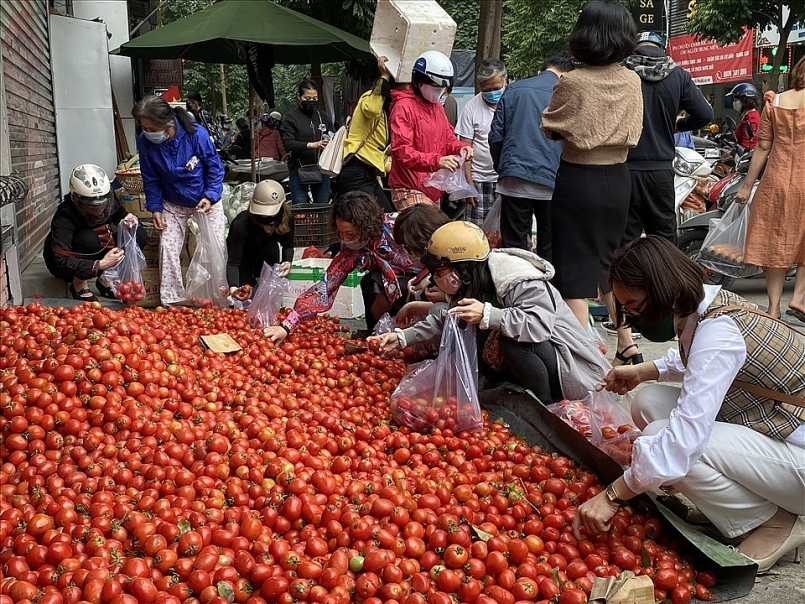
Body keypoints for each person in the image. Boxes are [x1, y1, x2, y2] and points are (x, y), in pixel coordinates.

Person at [575, 235, 805, 574]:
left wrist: (611, 497)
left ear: (663, 291)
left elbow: (681, 442)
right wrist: (645, 370)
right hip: (780, 433)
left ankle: (774, 522)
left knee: (664, 438)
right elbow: (696, 362)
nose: (632, 317)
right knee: (649, 402)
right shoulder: (707, 307)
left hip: (798, 458)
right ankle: (732, 505)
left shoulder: (719, 332)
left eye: (635, 305)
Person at [369, 222, 609, 403]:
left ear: (462, 268)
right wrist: (402, 338)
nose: (435, 279)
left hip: (565, 364)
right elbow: (448, 319)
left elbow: (538, 326)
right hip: (539, 357)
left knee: (509, 338)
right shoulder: (474, 281)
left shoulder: (518, 279)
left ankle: (546, 404)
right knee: (467, 327)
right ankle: (506, 388)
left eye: (439, 272)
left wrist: (489, 314)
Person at [541, 0, 643, 330]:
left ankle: (582, 357)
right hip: (618, 179)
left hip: (579, 179)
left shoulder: (573, 82)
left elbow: (552, 127)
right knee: (611, 263)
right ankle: (625, 342)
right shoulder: (632, 81)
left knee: (574, 272)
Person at [613, 30, 712, 365]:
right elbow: (705, 115)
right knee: (665, 246)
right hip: (659, 172)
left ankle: (627, 323)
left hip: (624, 168)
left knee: (624, 248)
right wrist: (674, 123)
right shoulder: (678, 74)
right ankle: (670, 318)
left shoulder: (621, 72)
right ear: (661, 47)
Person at [264, 191, 417, 341]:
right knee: (371, 281)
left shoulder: (397, 226)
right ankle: (379, 332)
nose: (345, 239)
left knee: (379, 283)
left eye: (350, 234)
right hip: (389, 284)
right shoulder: (349, 252)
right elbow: (324, 288)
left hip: (423, 280)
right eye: (341, 233)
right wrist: (287, 325)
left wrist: (426, 280)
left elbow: (431, 245)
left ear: (365, 226)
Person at [132, 95, 226, 306]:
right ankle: (172, 299)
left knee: (215, 247)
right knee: (168, 247)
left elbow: (215, 167)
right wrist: (155, 208)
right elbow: (151, 178)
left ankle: (213, 296)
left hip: (204, 198)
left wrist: (210, 196)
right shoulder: (145, 142)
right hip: (173, 201)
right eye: (144, 127)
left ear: (167, 124)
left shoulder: (195, 134)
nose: (148, 132)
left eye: (152, 128)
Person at [737, 56, 805, 323]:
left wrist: (746, 186)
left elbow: (762, 147)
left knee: (775, 241)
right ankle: (799, 297)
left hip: (776, 182)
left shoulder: (774, 102)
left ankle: (774, 307)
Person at [489, 53, 574, 258]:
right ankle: (548, 288)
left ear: (542, 70)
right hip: (554, 182)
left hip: (514, 181)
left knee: (515, 251)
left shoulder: (515, 89)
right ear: (567, 75)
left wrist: (504, 167)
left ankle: (517, 288)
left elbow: (495, 136)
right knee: (551, 246)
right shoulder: (568, 92)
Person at [44, 164, 147, 302]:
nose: (97, 212)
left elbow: (119, 215)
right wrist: (101, 264)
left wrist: (128, 219)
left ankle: (105, 279)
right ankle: (79, 284)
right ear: (76, 198)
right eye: (90, 206)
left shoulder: (110, 198)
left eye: (101, 206)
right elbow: (60, 260)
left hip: (99, 252)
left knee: (137, 234)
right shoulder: (65, 215)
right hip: (69, 264)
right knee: (88, 238)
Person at [388, 50, 472, 210]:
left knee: (435, 233)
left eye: (442, 88)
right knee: (423, 232)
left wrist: (462, 148)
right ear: (419, 82)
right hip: (408, 188)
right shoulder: (403, 107)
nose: (439, 91)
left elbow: (448, 137)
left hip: (434, 189)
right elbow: (402, 152)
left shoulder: (437, 107)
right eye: (435, 87)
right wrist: (437, 161)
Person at [335, 56, 394, 213]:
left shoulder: (382, 110)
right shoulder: (369, 98)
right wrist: (384, 76)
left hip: (365, 172)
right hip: (355, 171)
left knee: (386, 215)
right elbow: (371, 109)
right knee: (367, 222)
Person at [455, 58, 507, 226]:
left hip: (507, 180)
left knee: (507, 231)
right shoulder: (471, 108)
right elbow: (465, 149)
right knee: (478, 233)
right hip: (479, 181)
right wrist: (469, 187)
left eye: (496, 88)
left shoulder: (512, 103)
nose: (492, 93)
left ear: (505, 80)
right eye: (487, 89)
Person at [226, 180, 294, 293]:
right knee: (249, 294)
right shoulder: (241, 224)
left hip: (267, 257)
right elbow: (233, 262)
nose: (267, 230)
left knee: (271, 247)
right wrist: (234, 287)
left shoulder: (287, 219)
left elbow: (288, 245)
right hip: (244, 259)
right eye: (262, 224)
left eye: (272, 225)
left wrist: (287, 261)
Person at [279, 79, 333, 205]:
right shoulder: (291, 118)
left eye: (314, 99)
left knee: (322, 207)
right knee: (300, 209)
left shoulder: (323, 117)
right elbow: (288, 143)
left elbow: (333, 136)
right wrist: (312, 145)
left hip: (322, 168)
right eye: (307, 98)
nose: (311, 102)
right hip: (298, 169)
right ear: (299, 96)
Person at [727, 82, 761, 151]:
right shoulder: (749, 115)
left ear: (745, 100)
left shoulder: (751, 117)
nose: (734, 103)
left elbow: (748, 143)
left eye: (736, 100)